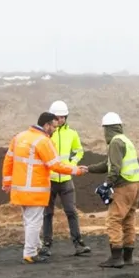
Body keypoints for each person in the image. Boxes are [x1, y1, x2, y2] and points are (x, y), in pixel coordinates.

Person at [3, 112, 88, 264]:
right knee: (34, 222)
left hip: (20, 190)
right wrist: (77, 170)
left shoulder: (20, 137)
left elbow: (8, 160)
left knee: (29, 220)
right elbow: (56, 165)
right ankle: (30, 253)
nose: (55, 130)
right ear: (47, 125)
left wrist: (7, 182)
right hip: (35, 191)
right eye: (54, 127)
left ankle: (36, 247)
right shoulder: (43, 141)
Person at [81, 111, 139, 269]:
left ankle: (116, 258)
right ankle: (128, 257)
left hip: (124, 186)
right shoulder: (125, 140)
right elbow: (108, 164)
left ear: (107, 129)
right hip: (135, 185)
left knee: (113, 220)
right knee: (128, 220)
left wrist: (107, 184)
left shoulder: (115, 142)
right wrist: (88, 168)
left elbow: (115, 168)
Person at [41, 100, 91, 256]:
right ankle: (46, 244)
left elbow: (78, 150)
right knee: (47, 213)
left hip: (66, 179)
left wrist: (72, 164)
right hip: (49, 180)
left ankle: (78, 244)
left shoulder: (72, 134)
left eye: (63, 117)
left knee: (71, 211)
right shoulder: (47, 134)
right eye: (58, 117)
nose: (61, 120)